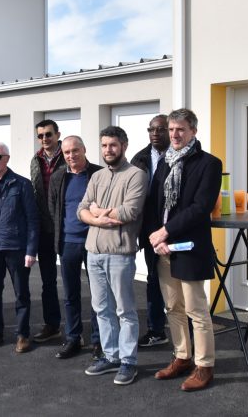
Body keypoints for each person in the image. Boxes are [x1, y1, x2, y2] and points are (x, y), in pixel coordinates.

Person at [146, 108, 221, 392]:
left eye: (181, 130)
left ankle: (205, 366)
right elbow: (155, 204)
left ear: (193, 132)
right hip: (164, 249)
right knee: (173, 307)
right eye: (171, 129)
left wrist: (165, 231)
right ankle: (182, 357)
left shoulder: (209, 164)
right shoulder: (165, 162)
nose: (174, 135)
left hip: (189, 247)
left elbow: (200, 209)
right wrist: (158, 239)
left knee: (196, 310)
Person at [78, 126, 146, 385]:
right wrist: (98, 216)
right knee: (101, 308)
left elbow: (129, 212)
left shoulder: (136, 175)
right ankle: (111, 355)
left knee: (125, 310)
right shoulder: (96, 176)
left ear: (124, 146)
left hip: (119, 254)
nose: (108, 150)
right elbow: (81, 210)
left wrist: (98, 213)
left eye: (113, 145)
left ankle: (129, 362)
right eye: (104, 145)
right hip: (93, 253)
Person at [0, 142, 38, 354]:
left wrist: (31, 250)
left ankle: (22, 335)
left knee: (21, 294)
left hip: (16, 248)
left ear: (7, 159)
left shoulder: (21, 184)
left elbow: (32, 220)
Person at [48, 136, 102, 360]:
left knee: (99, 295)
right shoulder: (58, 176)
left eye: (75, 151)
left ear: (84, 149)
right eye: (67, 152)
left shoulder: (98, 174)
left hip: (94, 242)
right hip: (68, 242)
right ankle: (74, 337)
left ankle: (100, 340)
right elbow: (53, 208)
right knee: (70, 294)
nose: (71, 156)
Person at [131, 114, 171, 347]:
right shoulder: (141, 158)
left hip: (176, 231)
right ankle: (157, 330)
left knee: (179, 284)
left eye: (160, 129)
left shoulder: (179, 157)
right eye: (151, 129)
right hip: (149, 231)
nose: (155, 133)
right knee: (154, 280)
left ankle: (186, 333)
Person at [30, 119, 64, 343]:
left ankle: (82, 330)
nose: (44, 139)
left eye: (48, 134)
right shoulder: (36, 160)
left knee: (76, 281)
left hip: (67, 227)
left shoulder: (69, 156)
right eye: (40, 135)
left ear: (57, 134)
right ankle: (52, 324)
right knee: (48, 281)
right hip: (44, 228)